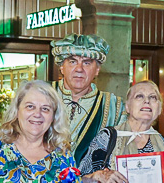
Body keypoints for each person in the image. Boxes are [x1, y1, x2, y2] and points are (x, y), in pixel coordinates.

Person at [51, 34, 125, 165]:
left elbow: (125, 152)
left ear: (97, 69)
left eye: (87, 63)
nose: (79, 69)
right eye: (72, 62)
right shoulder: (41, 95)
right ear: (61, 67)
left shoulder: (115, 107)